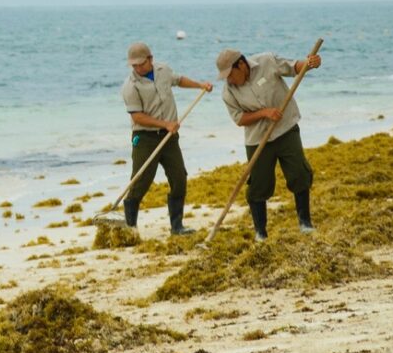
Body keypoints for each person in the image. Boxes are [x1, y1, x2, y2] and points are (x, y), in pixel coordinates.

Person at [216, 47, 322, 241]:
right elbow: (239, 119)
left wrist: (309, 63)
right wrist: (264, 113)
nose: (229, 80)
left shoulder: (267, 61)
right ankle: (260, 233)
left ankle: (305, 223)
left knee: (299, 173)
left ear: (241, 65)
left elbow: (294, 67)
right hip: (258, 139)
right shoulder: (228, 91)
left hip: (286, 129)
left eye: (230, 75)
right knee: (258, 186)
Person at [121, 42, 212, 235]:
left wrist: (200, 85)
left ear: (150, 59)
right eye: (133, 65)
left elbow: (178, 80)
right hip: (144, 138)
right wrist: (165, 124)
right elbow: (137, 116)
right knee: (141, 181)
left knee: (179, 178)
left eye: (140, 64)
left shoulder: (163, 70)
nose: (137, 68)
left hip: (170, 137)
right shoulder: (130, 86)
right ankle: (130, 228)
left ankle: (177, 227)